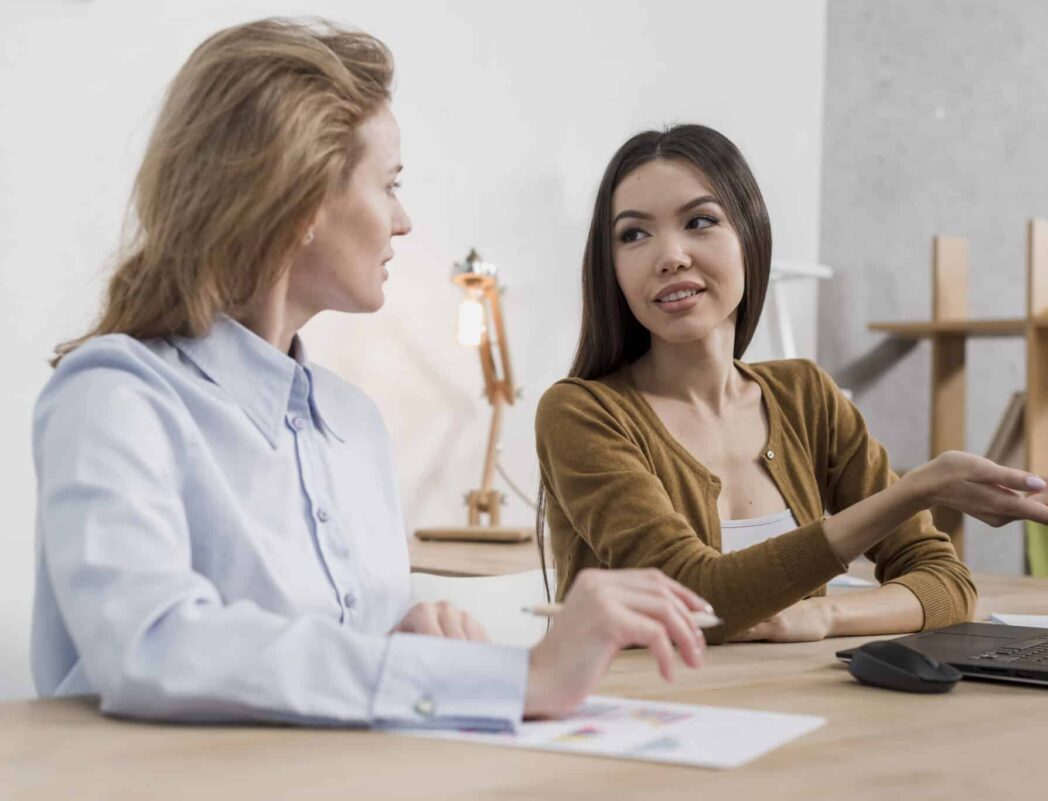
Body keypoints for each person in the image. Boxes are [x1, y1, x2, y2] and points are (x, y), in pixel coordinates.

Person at [31, 18, 709, 729]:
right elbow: (154, 645)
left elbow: (340, 672)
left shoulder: (353, 422)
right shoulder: (113, 395)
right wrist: (516, 676)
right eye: (390, 185)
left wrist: (403, 641)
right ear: (299, 201)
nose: (405, 220)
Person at [535, 124, 1048, 644]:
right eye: (634, 234)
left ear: (750, 236)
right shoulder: (580, 413)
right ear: (611, 268)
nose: (670, 256)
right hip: (633, 725)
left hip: (799, 717)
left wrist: (821, 614)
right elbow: (694, 598)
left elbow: (948, 585)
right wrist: (915, 489)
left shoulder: (805, 397)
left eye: (700, 221)